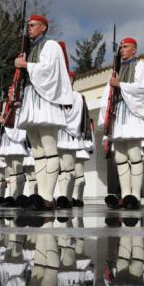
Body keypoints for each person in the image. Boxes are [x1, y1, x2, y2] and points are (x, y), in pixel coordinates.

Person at [14, 14, 72, 209]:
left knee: (49, 148)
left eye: (32, 25)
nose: (29, 28)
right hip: (32, 98)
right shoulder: (30, 49)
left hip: (46, 99)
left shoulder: (51, 45)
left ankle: (48, 196)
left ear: (43, 27)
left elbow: (50, 70)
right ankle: (41, 194)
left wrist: (26, 65)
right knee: (37, 150)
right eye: (28, 25)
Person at [98, 37, 144, 209]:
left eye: (125, 47)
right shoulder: (116, 70)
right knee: (120, 157)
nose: (122, 50)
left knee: (134, 154)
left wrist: (120, 85)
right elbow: (107, 94)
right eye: (121, 47)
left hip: (132, 114)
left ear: (134, 50)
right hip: (118, 116)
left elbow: (143, 89)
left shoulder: (141, 66)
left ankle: (135, 196)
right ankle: (125, 195)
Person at [55, 71, 86, 208]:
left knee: (68, 167)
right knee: (61, 168)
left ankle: (66, 197)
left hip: (69, 135)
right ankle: (63, 196)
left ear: (73, 79)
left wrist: (64, 125)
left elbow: (76, 116)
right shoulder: (57, 95)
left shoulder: (77, 97)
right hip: (58, 134)